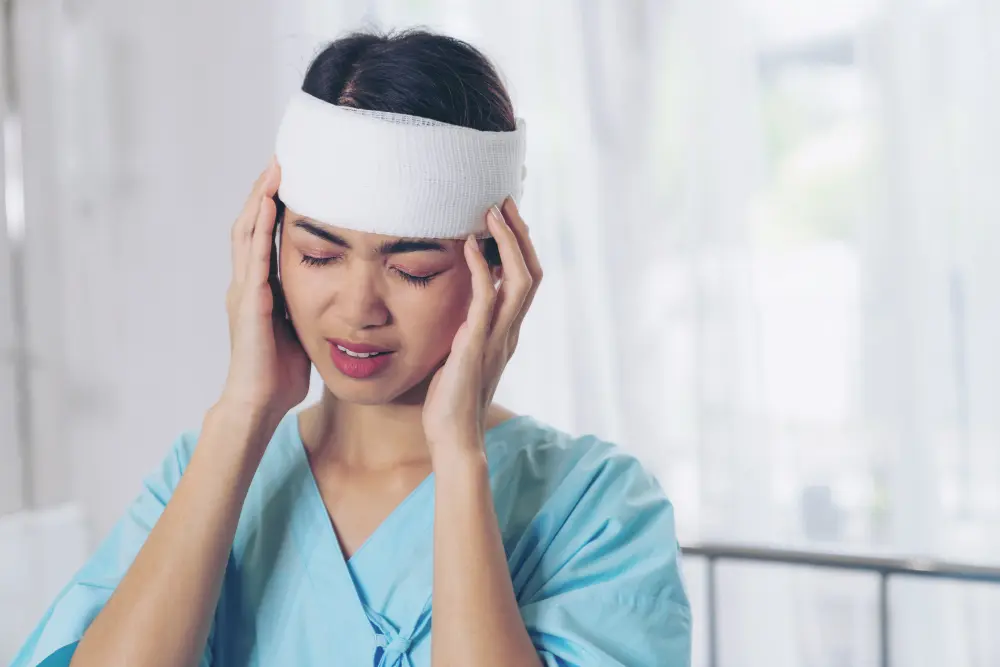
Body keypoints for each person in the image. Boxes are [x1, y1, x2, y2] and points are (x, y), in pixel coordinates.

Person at [11, 28, 692, 667]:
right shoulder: (206, 472)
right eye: (318, 255)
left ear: (499, 269)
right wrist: (245, 410)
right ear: (270, 251)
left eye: (413, 269)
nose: (358, 308)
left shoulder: (597, 508)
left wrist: (458, 453)